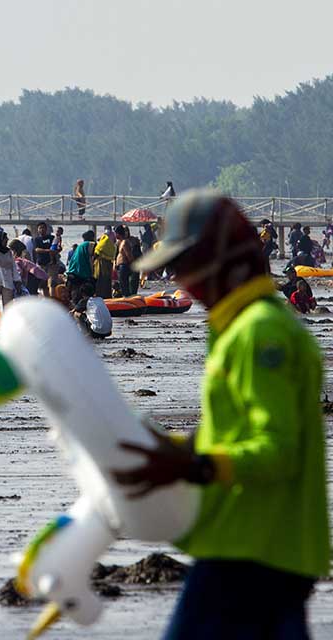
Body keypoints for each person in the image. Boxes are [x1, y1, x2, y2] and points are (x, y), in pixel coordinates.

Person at [112, 191, 329, 639]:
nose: (180, 282)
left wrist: (193, 464)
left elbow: (279, 449)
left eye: (184, 268)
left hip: (252, 550)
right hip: (257, 545)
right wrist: (177, 446)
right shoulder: (242, 327)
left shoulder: (259, 334)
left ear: (225, 261)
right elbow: (235, 432)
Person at [33, 222, 56, 296]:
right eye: (40, 228)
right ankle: (47, 300)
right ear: (38, 230)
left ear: (46, 229)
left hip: (52, 264)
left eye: (43, 228)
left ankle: (52, 299)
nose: (42, 229)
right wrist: (47, 250)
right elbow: (36, 249)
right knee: (43, 284)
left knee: (52, 283)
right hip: (41, 264)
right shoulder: (37, 239)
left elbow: (56, 247)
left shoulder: (51, 238)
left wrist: (58, 249)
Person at [93, 229, 117, 299]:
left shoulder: (103, 244)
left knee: (100, 282)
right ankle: (107, 297)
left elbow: (96, 254)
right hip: (108, 265)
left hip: (101, 265)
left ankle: (100, 296)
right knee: (107, 282)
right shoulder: (112, 246)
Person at [115, 226, 135, 297]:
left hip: (124, 265)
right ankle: (124, 296)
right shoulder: (120, 242)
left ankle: (126, 298)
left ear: (118, 234)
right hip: (121, 266)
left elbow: (129, 255)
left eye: (115, 233)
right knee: (122, 284)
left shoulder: (125, 242)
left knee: (124, 284)